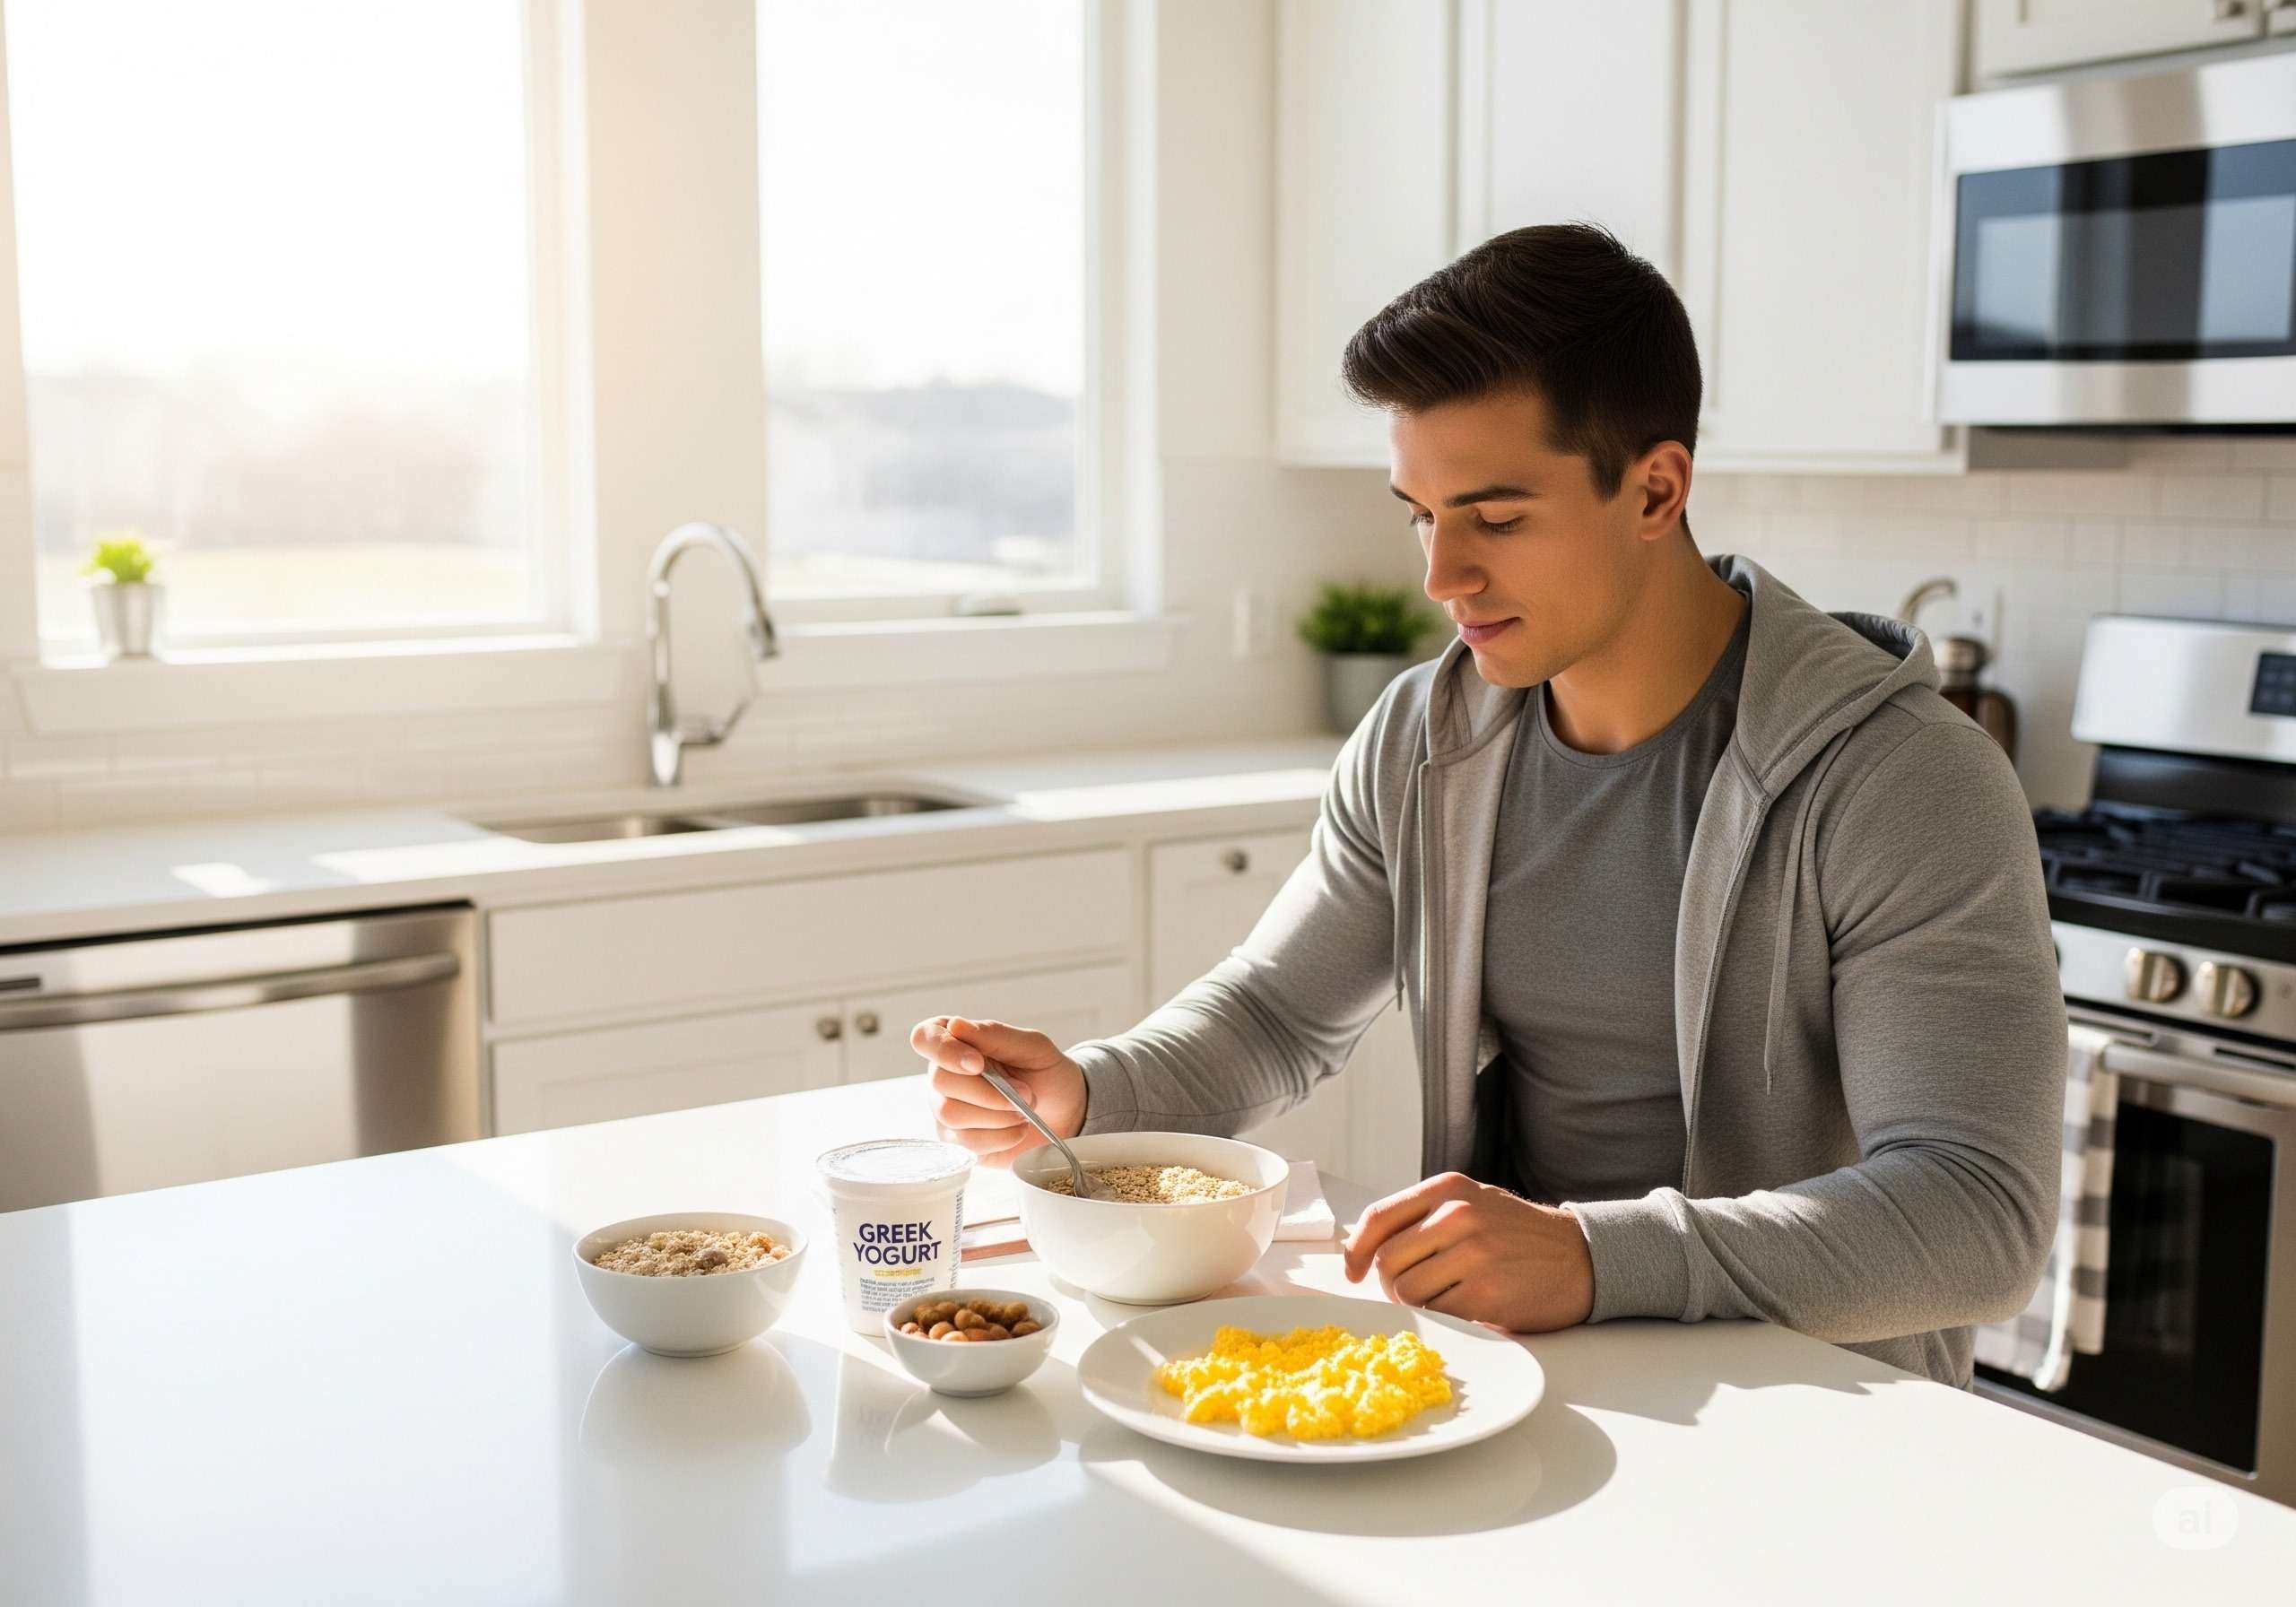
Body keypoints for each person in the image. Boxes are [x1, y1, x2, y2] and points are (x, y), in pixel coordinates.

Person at [910, 223, 2065, 1386]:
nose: (1441, 575)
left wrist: (1594, 1255)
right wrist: (1095, 1089)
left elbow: (1976, 1217)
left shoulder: (1902, 776)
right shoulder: (1427, 739)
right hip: (1524, 1371)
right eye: (1421, 511)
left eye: (1498, 518)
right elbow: (1275, 1015)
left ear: (1657, 488)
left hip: (1819, 1406)